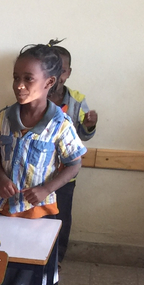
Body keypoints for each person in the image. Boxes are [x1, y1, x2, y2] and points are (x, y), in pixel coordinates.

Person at [0, 44, 86, 285]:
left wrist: (47, 188)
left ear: (49, 82)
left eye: (28, 79)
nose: (19, 85)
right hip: (1, 207)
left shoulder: (60, 124)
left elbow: (74, 164)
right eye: (16, 77)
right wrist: (1, 178)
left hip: (37, 214)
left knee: (26, 271)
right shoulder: (5, 116)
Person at [46, 39, 98, 261]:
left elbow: (83, 136)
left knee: (61, 218)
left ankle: (56, 260)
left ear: (68, 73)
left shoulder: (77, 100)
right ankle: (35, 259)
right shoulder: (35, 95)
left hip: (65, 174)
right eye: (52, 68)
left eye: (62, 70)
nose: (57, 75)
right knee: (37, 218)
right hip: (35, 173)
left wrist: (89, 125)